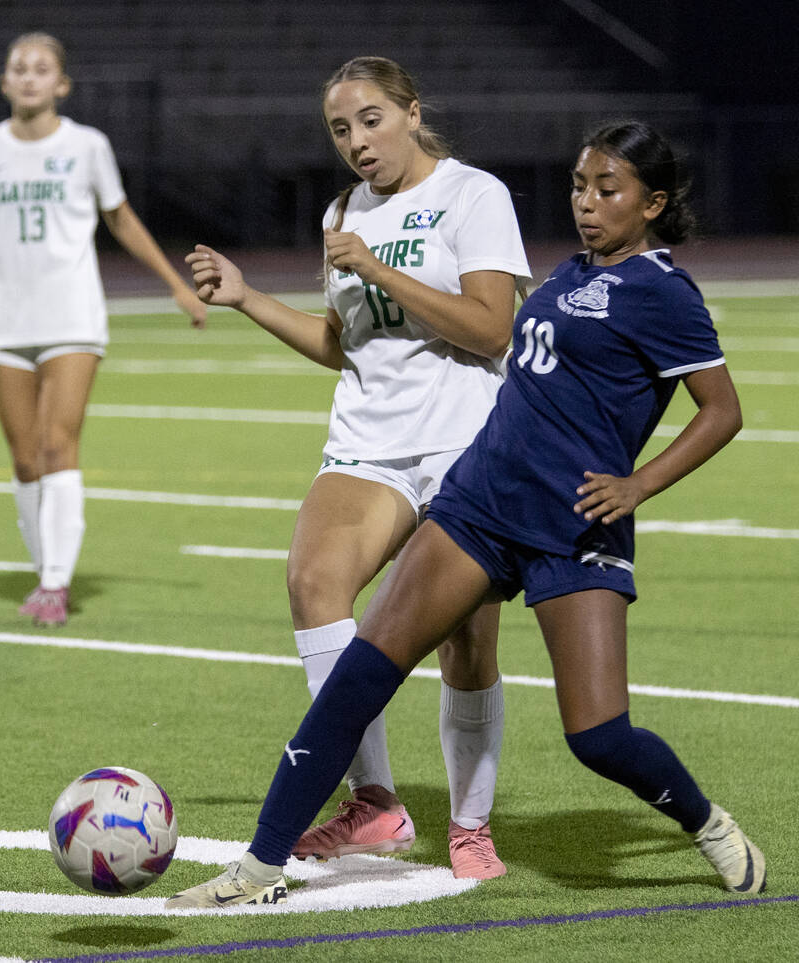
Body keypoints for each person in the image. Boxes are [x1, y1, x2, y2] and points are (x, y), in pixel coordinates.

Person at [166, 121, 765, 910]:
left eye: (607, 190)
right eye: (581, 185)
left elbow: (721, 412)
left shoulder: (664, 293)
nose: (587, 203)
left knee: (597, 735)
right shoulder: (567, 271)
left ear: (652, 203)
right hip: (481, 500)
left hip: (575, 520)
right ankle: (258, 866)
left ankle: (708, 822)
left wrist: (638, 486)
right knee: (359, 677)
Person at [184, 56, 530, 880]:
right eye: (341, 129)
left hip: (464, 443)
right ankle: (375, 801)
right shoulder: (346, 209)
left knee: (467, 642)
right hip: (368, 441)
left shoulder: (474, 195)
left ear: (412, 111)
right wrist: (246, 297)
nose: (357, 142)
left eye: (371, 119)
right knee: (314, 585)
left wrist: (378, 267)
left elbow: (491, 330)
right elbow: (346, 344)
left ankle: (472, 825)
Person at [0, 32, 206, 628]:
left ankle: (56, 584)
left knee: (59, 444)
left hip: (72, 314)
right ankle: (44, 572)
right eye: (19, 69)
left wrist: (174, 282)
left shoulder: (87, 146)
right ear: (5, 82)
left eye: (41, 70)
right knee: (25, 459)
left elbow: (121, 219)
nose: (29, 77)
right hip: (6, 316)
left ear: (61, 84)